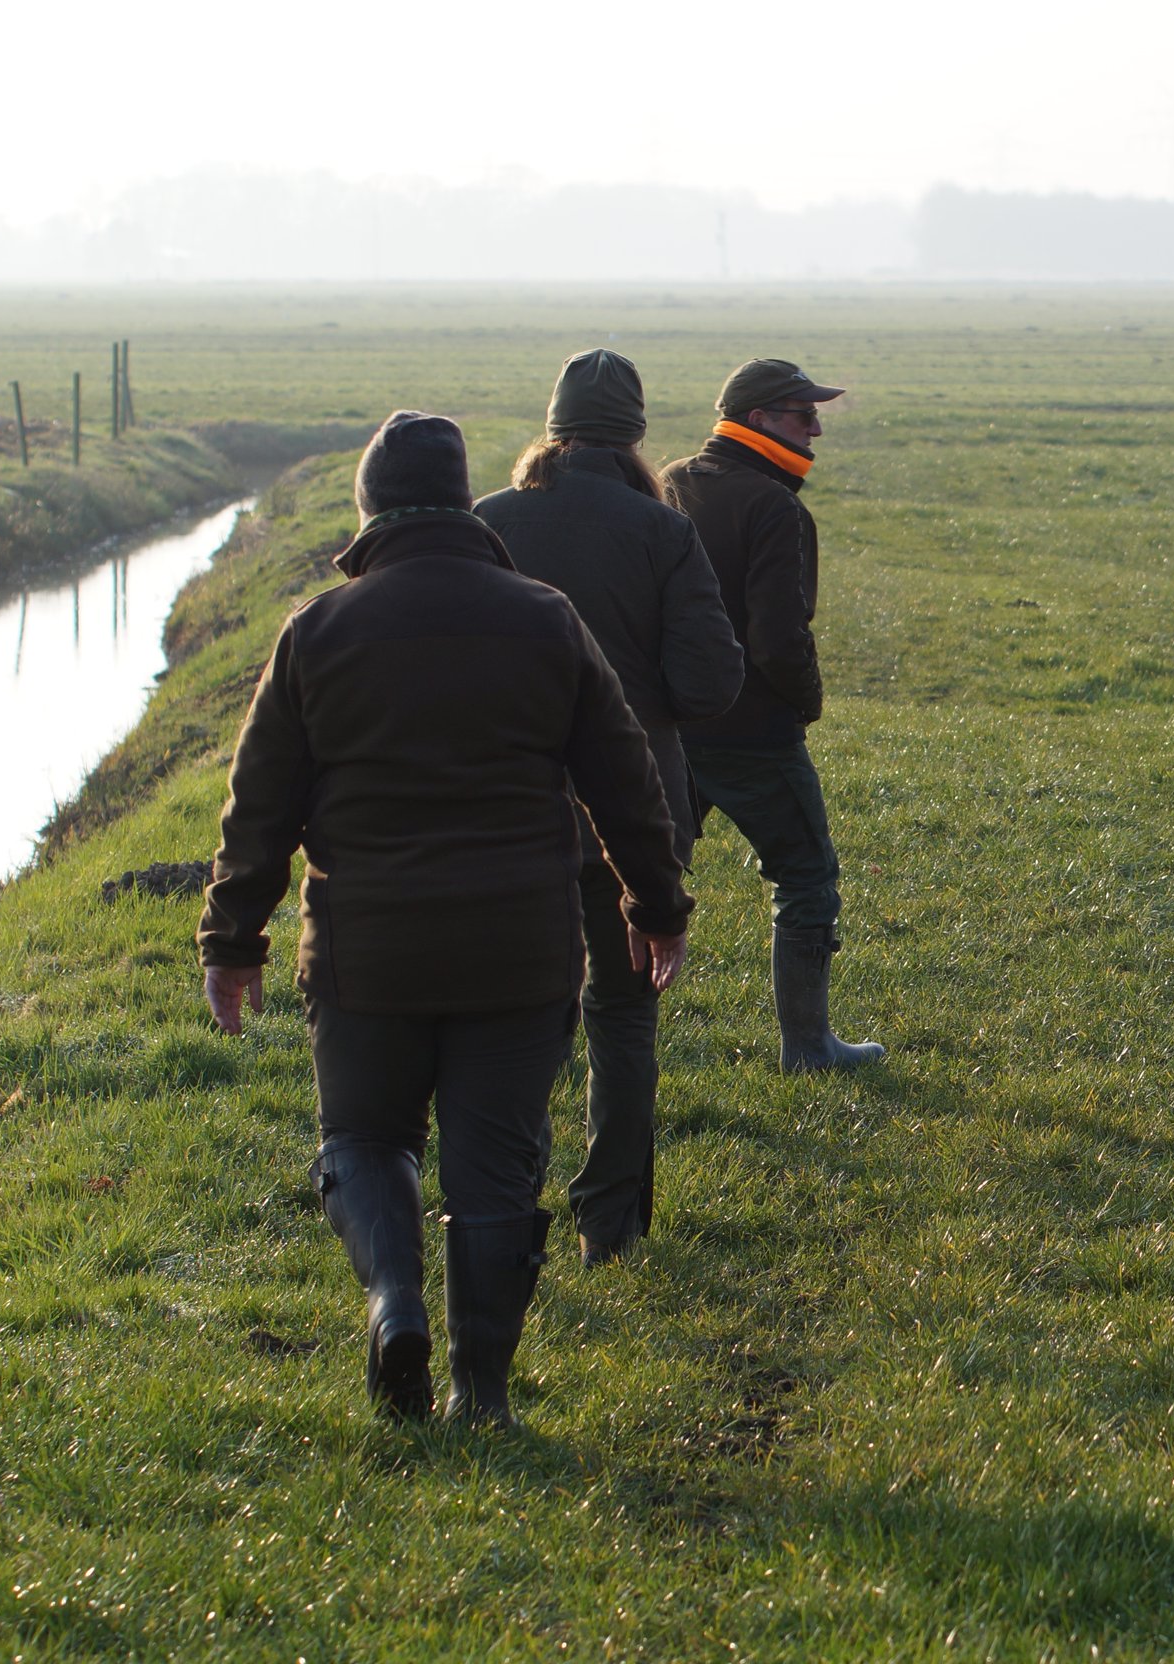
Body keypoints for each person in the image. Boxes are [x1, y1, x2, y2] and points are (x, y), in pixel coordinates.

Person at [198, 411, 692, 1425]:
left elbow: (259, 807)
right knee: (494, 1168)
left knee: (364, 1138)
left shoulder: (317, 632)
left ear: (368, 507)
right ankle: (482, 1394)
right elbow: (626, 779)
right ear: (465, 503)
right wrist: (655, 904)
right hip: (518, 947)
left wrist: (234, 939)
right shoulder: (546, 619)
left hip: (366, 950)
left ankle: (394, 1302)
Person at [476, 349, 742, 1268]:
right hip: (634, 813)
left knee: (516, 1021)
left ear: (553, 429)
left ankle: (500, 1211)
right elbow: (709, 685)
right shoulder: (663, 532)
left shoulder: (488, 523)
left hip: (511, 815)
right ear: (634, 436)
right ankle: (608, 1227)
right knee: (622, 1019)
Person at [660, 358, 883, 1072]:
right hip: (752, 731)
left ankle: (567, 1031)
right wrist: (805, 702)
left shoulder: (670, 482)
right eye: (802, 413)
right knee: (807, 880)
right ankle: (809, 1047)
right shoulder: (774, 507)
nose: (816, 428)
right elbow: (780, 638)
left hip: (667, 725)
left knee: (635, 879)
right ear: (757, 419)